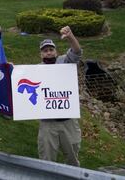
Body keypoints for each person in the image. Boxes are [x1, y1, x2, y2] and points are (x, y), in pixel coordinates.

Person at [37, 26, 82, 167]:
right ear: (41, 54)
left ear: (56, 51)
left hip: (68, 121)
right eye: (45, 51)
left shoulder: (65, 61)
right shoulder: (35, 70)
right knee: (47, 159)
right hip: (47, 123)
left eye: (51, 50)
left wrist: (70, 36)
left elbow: (77, 52)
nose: (49, 53)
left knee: (72, 159)